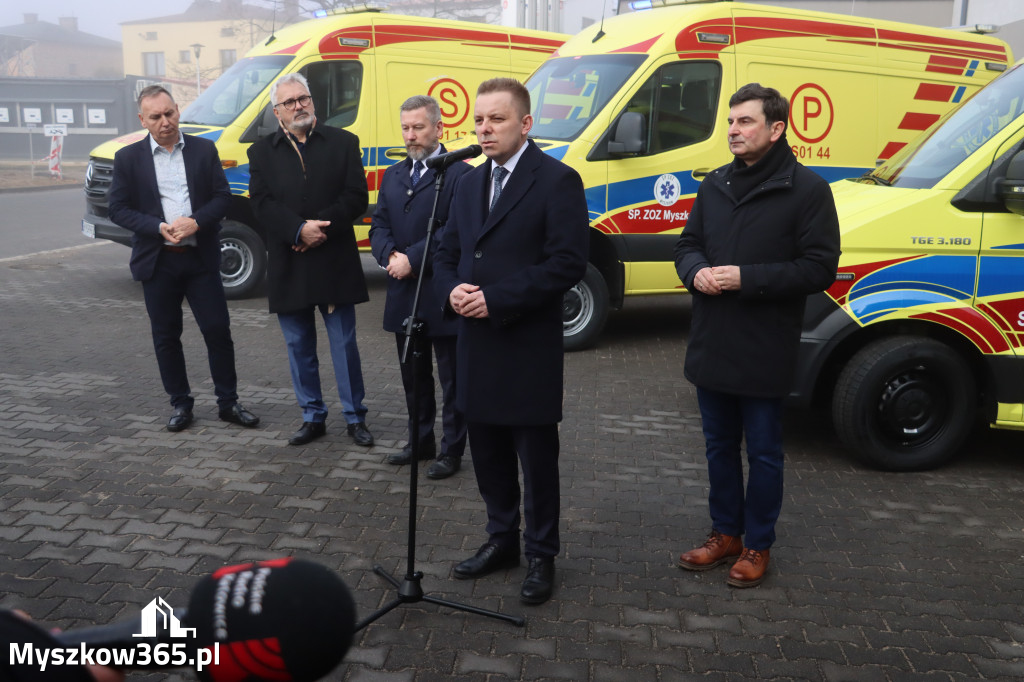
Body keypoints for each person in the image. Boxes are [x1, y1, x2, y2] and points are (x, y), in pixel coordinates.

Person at [673, 83, 841, 588]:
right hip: (713, 341)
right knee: (718, 448)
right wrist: (695, 270)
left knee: (764, 452)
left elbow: (819, 268)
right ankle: (724, 533)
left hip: (765, 344)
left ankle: (757, 544)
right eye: (731, 122)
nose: (733, 130)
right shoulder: (715, 184)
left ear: (776, 128)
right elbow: (687, 244)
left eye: (745, 122)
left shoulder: (807, 190)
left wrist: (747, 278)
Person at [433, 78, 589, 605]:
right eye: (478, 120)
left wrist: (496, 299)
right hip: (476, 344)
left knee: (535, 461)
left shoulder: (557, 181)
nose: (483, 129)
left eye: (495, 120)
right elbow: (446, 251)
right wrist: (453, 289)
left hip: (525, 347)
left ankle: (541, 554)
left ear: (525, 124)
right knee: (489, 456)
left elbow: (566, 262)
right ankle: (501, 540)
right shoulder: (467, 183)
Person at [107, 85, 260, 433]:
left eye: (170, 113)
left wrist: (197, 221)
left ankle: (228, 402)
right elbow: (117, 208)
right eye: (156, 117)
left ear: (178, 109)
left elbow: (223, 197)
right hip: (158, 261)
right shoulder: (128, 158)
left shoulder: (204, 150)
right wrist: (156, 226)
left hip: (200, 258)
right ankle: (180, 403)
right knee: (166, 336)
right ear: (142, 120)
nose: (166, 122)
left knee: (218, 330)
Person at [247, 73, 373, 448]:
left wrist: (321, 230)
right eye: (290, 102)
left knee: (344, 345)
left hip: (334, 259)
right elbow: (261, 203)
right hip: (290, 261)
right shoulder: (261, 152)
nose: (299, 106)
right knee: (298, 345)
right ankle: (312, 416)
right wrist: (298, 229)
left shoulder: (344, 142)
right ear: (277, 112)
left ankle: (355, 418)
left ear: (312, 102)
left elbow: (356, 197)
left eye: (303, 98)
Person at [369, 95, 470, 480]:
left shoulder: (461, 174)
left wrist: (412, 257)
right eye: (406, 128)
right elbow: (379, 224)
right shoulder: (393, 175)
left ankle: (451, 450)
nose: (411, 136)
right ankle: (420, 439)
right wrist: (389, 256)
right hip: (403, 293)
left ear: (439, 128)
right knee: (413, 374)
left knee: (451, 378)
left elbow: (453, 229)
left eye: (419, 127)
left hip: (441, 291)